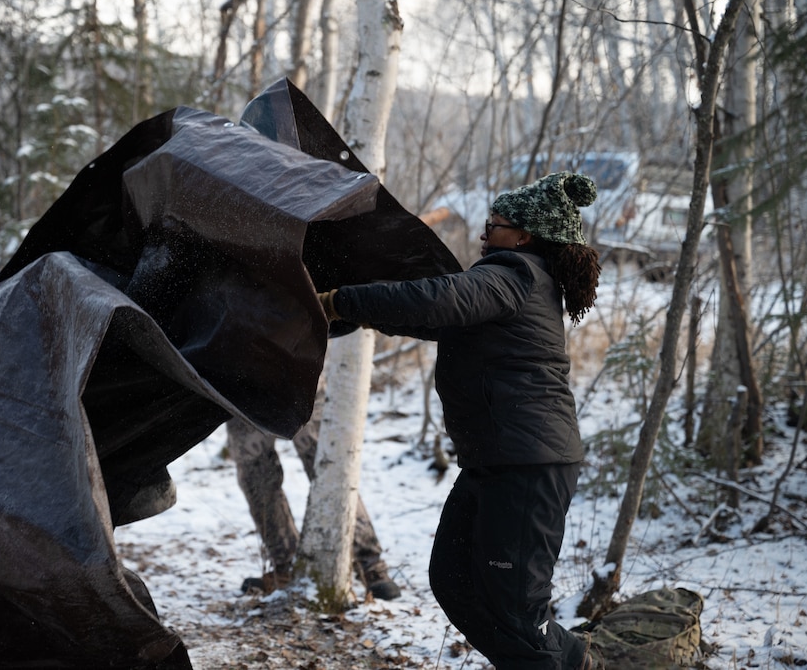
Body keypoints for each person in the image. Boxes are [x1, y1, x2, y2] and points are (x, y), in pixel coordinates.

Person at [317, 171, 602, 669]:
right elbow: (430, 316)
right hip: (497, 461)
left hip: (527, 466)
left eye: (492, 225)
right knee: (454, 580)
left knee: (516, 611)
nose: (483, 234)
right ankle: (576, 660)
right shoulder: (517, 282)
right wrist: (352, 311)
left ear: (524, 235)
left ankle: (561, 662)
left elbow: (437, 298)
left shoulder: (514, 274)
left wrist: (343, 299)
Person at [226, 384, 401, 601]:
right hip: (236, 380)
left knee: (328, 463)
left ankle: (370, 565)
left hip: (300, 366)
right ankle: (285, 567)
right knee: (255, 473)